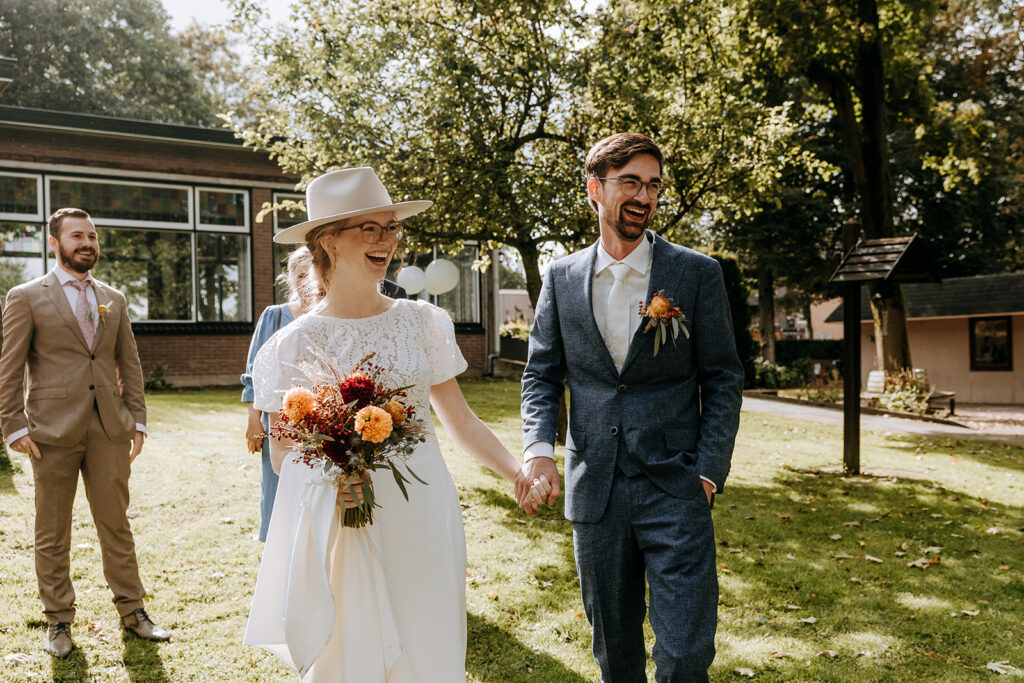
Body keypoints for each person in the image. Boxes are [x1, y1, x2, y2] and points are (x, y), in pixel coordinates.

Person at [243, 167, 543, 681]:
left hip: (423, 509)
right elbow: (281, 453)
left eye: (392, 227)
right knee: (352, 649)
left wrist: (517, 470)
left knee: (427, 640)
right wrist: (335, 479)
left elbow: (461, 420)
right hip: (345, 520)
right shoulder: (291, 345)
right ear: (328, 242)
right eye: (371, 229)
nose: (388, 240)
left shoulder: (423, 322)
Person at [519, 133, 744, 682]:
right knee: (615, 654)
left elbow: (723, 378)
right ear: (595, 189)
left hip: (677, 486)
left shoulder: (695, 273)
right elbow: (541, 375)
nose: (644, 195)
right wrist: (538, 452)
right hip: (596, 488)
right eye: (630, 182)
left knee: (687, 655)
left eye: (653, 185)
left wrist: (708, 473)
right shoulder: (562, 277)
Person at [0, 208, 171, 658]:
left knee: (116, 524)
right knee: (52, 531)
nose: (88, 243)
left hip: (108, 427)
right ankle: (58, 620)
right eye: (77, 236)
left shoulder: (112, 296)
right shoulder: (26, 296)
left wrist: (137, 417)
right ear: (54, 243)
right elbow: (9, 366)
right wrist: (13, 425)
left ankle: (133, 611)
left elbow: (128, 360)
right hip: (50, 431)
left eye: (93, 236)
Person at [241, 247, 318, 542]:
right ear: (290, 278)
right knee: (277, 483)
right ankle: (277, 543)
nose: (307, 281)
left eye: (311, 273)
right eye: (300, 274)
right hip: (280, 418)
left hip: (323, 416)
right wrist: (253, 419)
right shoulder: (274, 316)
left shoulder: (333, 314)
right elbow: (254, 372)